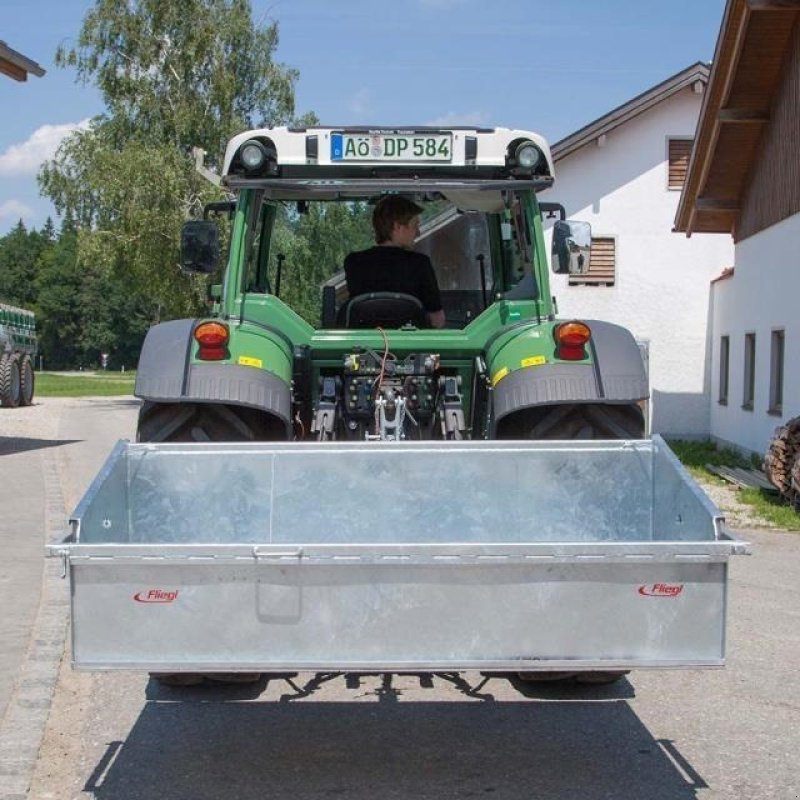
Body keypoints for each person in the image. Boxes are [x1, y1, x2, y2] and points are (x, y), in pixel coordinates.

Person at [344, 195, 446, 328]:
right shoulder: (420, 264)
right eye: (414, 226)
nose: (418, 233)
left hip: (365, 346)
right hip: (411, 346)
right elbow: (437, 320)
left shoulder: (354, 263)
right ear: (397, 227)